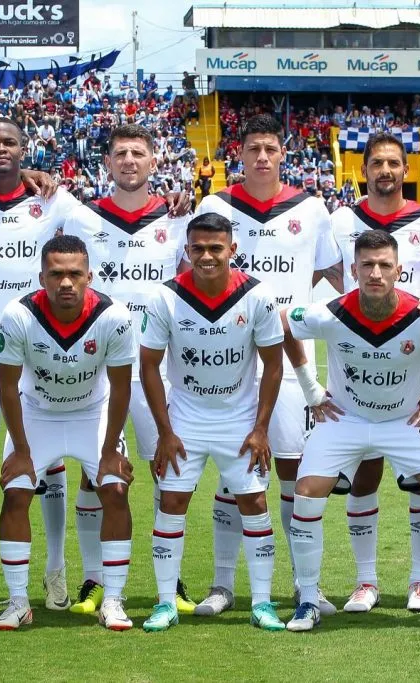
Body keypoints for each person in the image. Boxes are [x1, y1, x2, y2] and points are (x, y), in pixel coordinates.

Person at [0, 117, 189, 612]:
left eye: (11, 145)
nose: (129, 163)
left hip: (117, 355)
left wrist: (31, 175)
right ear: (106, 163)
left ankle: (76, 571)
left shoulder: (67, 204)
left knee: (140, 467)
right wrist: (4, 174)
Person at [281, 229, 420, 635]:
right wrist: (312, 390)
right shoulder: (330, 312)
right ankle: (308, 600)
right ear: (353, 270)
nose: (375, 272)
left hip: (405, 421)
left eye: (384, 265)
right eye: (367, 265)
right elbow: (286, 323)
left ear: (399, 270)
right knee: (306, 493)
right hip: (345, 420)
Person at [193, 114, 342, 618]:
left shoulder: (311, 208)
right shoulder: (215, 205)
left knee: (294, 467)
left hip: (292, 356)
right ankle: (222, 584)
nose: (261, 156)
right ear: (240, 154)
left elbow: (327, 270)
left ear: (283, 154)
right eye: (253, 148)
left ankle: (306, 585)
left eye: (270, 148)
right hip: (230, 356)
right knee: (232, 469)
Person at [328, 132, 420, 613]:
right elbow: (327, 274)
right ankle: (365, 582)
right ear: (361, 169)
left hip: (419, 370)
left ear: (406, 170)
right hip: (355, 368)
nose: (385, 170)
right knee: (364, 474)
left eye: (393, 163)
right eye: (376, 163)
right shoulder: (341, 220)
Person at [62, 124, 193, 616]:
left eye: (139, 153)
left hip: (160, 368)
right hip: (100, 367)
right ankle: (94, 580)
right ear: (108, 162)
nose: (130, 161)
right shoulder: (84, 218)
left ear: (154, 161)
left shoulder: (179, 217)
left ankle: (170, 579)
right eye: (121, 153)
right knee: (96, 477)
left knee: (168, 471)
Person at [139, 212, 285, 632]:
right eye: (198, 248)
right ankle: (166, 603)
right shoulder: (164, 297)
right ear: (186, 251)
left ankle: (262, 603)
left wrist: (260, 428)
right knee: (171, 503)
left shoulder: (257, 296)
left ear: (232, 250)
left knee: (255, 504)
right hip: (185, 419)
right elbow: (149, 366)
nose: (206, 256)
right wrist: (165, 432)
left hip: (239, 420)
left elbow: (273, 366)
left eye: (215, 248)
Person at [0, 235, 136, 631]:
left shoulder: (113, 317)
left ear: (90, 275)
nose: (66, 283)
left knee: (115, 489)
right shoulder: (17, 315)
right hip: (38, 414)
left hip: (93, 413)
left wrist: (110, 451)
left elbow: (122, 387)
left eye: (75, 274)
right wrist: (20, 450)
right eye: (56, 274)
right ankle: (18, 601)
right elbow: (7, 386)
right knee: (16, 492)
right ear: (42, 277)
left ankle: (114, 600)